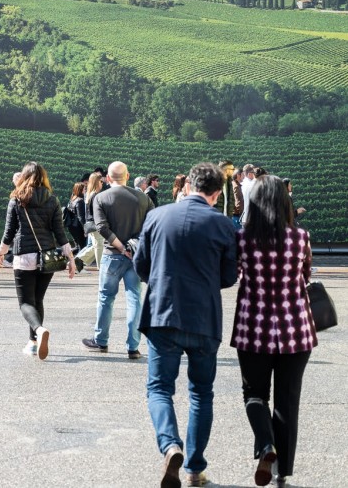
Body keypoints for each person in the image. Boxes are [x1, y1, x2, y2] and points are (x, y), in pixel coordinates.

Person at [134, 162, 237, 488]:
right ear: (217, 193)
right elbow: (228, 276)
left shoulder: (157, 216)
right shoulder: (223, 225)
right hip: (204, 318)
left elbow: (141, 266)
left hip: (163, 314)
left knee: (159, 388)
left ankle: (170, 446)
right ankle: (194, 469)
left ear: (188, 186)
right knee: (201, 394)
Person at [231, 175, 317, 488]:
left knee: (254, 393)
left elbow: (233, 273)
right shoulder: (301, 237)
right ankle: (284, 470)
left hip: (253, 326)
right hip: (296, 327)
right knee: (287, 400)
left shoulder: (243, 238)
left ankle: (266, 445)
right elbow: (305, 275)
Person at [0, 162, 75, 360]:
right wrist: (70, 258)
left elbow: (9, 231)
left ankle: (38, 331)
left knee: (25, 302)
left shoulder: (17, 199)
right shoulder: (52, 200)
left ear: (24, 176)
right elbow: (60, 232)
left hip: (24, 256)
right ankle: (33, 342)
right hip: (46, 257)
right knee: (38, 299)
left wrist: (1, 252)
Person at [82, 161, 153, 358]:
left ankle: (101, 341)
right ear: (127, 176)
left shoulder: (100, 197)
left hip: (112, 254)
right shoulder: (144, 198)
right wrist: (133, 246)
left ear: (108, 178)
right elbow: (152, 224)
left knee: (106, 298)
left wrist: (121, 247)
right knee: (135, 299)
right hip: (135, 256)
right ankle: (133, 346)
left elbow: (102, 227)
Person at [76, 172, 105, 270]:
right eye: (101, 181)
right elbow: (96, 212)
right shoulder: (95, 195)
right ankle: (101, 268)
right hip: (96, 224)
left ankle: (79, 259)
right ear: (96, 182)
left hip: (91, 224)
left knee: (96, 246)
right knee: (99, 246)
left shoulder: (90, 194)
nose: (102, 183)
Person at [66, 182, 87, 251]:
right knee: (82, 246)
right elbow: (81, 217)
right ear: (80, 190)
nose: (85, 191)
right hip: (78, 227)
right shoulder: (80, 201)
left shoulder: (72, 199)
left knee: (77, 246)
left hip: (71, 226)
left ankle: (72, 256)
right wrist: (85, 229)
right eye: (84, 189)